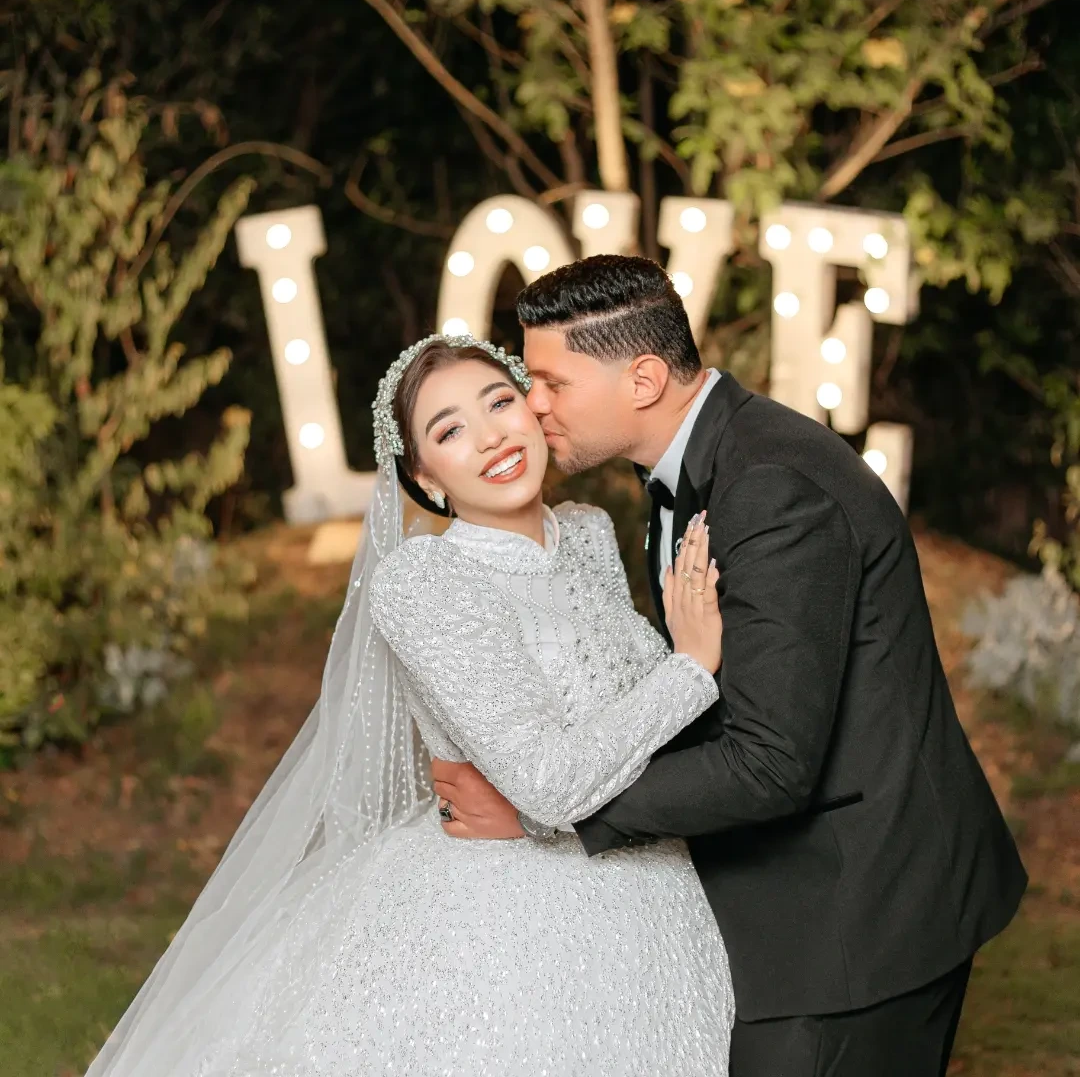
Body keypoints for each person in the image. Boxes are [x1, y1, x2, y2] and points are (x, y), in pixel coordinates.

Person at [432, 255, 1029, 1077]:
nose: (531, 405)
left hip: (859, 919)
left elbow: (770, 761)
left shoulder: (769, 487)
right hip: (808, 898)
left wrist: (549, 815)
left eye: (552, 383)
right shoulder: (696, 463)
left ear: (643, 379)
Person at [84, 334, 735, 1077]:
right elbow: (549, 782)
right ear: (425, 475)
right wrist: (689, 669)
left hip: (656, 885)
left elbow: (618, 717)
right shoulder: (426, 583)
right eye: (450, 431)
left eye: (499, 402)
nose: (490, 437)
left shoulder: (587, 533)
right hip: (509, 918)